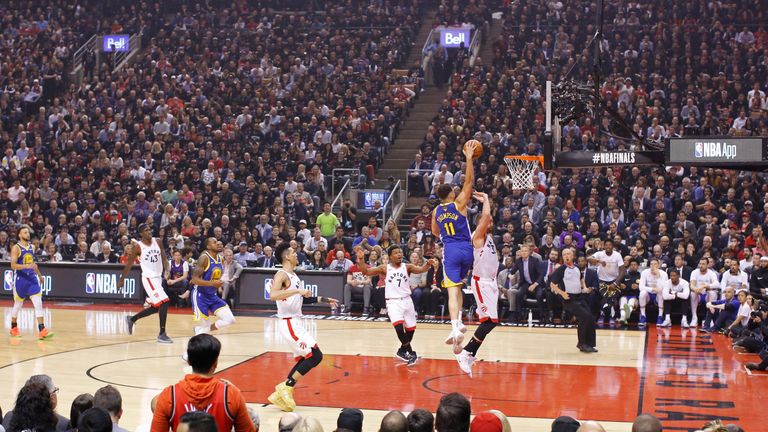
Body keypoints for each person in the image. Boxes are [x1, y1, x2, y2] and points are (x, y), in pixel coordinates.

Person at [267, 242, 338, 412]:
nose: (296, 254)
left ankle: (281, 391)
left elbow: (302, 300)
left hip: (295, 321)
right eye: (293, 252)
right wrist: (297, 292)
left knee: (308, 358)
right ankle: (286, 387)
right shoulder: (281, 274)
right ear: (286, 256)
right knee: (315, 355)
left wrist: (324, 300)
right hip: (288, 322)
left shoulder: (294, 276)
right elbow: (273, 295)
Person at [151, 334, 255, 432]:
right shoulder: (231, 394)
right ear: (215, 362)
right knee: (254, 417)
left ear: (189, 361)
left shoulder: (168, 396)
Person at [431, 141, 479, 351]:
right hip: (467, 250)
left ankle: (453, 327)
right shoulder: (459, 204)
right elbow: (469, 181)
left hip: (450, 249)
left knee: (452, 291)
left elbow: (434, 232)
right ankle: (459, 322)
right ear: (451, 194)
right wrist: (469, 159)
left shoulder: (436, 212)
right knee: (458, 287)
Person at [355, 245, 434, 365]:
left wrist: (428, 264)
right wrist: (361, 260)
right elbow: (365, 271)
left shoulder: (407, 267)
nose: (400, 255)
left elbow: (421, 269)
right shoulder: (384, 268)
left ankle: (402, 350)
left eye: (401, 252)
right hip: (393, 301)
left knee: (411, 329)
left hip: (407, 300)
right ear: (390, 256)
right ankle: (410, 352)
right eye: (396, 253)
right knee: (398, 327)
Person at [456, 192, 499, 376]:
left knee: (491, 323)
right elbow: (487, 216)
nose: (490, 222)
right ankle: (466, 352)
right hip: (481, 283)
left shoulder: (489, 239)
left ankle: (471, 352)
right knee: (488, 321)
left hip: (491, 283)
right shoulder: (478, 237)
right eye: (486, 221)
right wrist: (487, 200)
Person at [119, 223, 172, 343]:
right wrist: (121, 279)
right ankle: (162, 334)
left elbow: (164, 257)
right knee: (164, 301)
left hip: (158, 278)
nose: (149, 231)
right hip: (149, 278)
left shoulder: (157, 241)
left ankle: (132, 319)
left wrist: (167, 269)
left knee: (155, 307)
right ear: (141, 234)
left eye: (150, 229)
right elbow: (129, 264)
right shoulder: (138, 247)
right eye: (146, 230)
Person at [549, 248, 598, 353]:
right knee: (585, 317)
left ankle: (589, 344)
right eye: (564, 254)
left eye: (568, 254)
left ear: (572, 256)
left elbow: (581, 279)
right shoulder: (561, 269)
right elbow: (552, 285)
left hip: (580, 297)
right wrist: (562, 293)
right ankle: (582, 344)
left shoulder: (576, 268)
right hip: (569, 299)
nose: (566, 256)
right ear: (562, 257)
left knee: (590, 318)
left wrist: (584, 287)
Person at [9, 225, 51, 339]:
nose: (27, 234)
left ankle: (42, 329)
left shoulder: (32, 247)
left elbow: (34, 265)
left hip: (32, 278)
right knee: (18, 305)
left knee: (38, 302)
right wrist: (26, 266)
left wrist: (40, 276)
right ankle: (13, 327)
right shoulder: (16, 248)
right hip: (21, 279)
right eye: (25, 232)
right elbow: (13, 265)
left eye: (28, 232)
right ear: (19, 235)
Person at [190, 238, 237, 335]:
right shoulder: (204, 258)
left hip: (212, 295)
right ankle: (201, 332)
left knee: (230, 319)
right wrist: (212, 284)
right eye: (215, 242)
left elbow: (216, 277)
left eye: (219, 242)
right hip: (200, 295)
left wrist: (218, 285)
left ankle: (201, 330)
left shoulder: (220, 259)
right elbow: (194, 280)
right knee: (204, 329)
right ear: (208, 246)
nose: (219, 244)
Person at [638, 258, 669, 327]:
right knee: (642, 293)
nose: (653, 266)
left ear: (658, 265)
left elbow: (663, 288)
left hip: (658, 296)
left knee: (661, 293)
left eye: (655, 264)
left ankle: (660, 316)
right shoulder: (644, 272)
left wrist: (658, 276)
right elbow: (641, 287)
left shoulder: (663, 274)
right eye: (651, 264)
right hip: (649, 295)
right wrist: (652, 289)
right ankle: (643, 316)